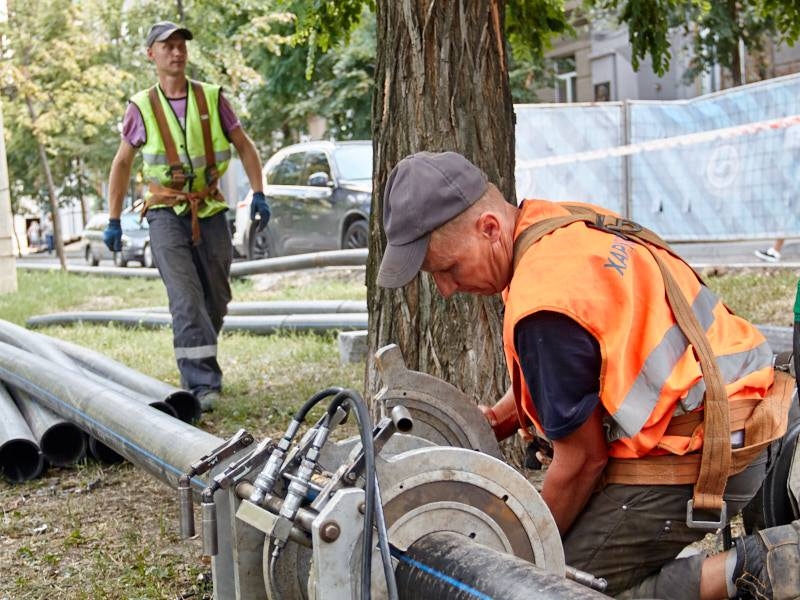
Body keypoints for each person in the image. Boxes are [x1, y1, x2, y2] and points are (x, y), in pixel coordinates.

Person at [377, 151, 800, 599]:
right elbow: (577, 368)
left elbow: (581, 462)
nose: (445, 288)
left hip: (713, 451)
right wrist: (495, 421)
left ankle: (763, 564)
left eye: (448, 268)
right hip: (752, 405)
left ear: (489, 228)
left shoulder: (545, 303)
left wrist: (517, 558)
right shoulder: (561, 228)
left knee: (554, 588)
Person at [104, 21, 271, 411]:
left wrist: (259, 192)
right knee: (185, 297)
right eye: (167, 47)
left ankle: (198, 357)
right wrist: (113, 218)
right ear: (152, 54)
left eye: (181, 46)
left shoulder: (212, 98)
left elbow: (245, 147)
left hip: (208, 208)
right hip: (164, 212)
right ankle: (201, 383)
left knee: (217, 295)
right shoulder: (141, 107)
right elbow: (122, 164)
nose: (176, 52)